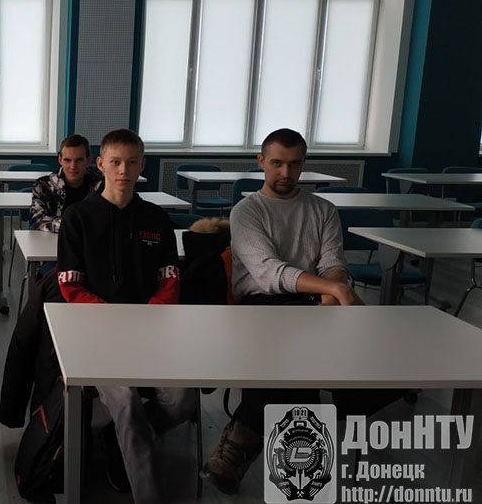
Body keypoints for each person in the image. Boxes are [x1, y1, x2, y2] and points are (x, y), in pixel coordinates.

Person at [200, 128, 362, 495]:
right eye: (276, 163)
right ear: (261, 162)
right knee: (294, 369)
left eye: (294, 164)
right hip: (261, 305)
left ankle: (241, 443)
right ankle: (299, 479)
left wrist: (331, 290)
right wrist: (333, 288)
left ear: (304, 163)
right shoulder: (247, 211)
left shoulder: (323, 210)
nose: (285, 173)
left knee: (313, 366)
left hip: (311, 304)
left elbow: (333, 262)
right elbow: (268, 273)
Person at [57, 128, 195, 503]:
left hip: (152, 331)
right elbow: (71, 286)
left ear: (142, 165)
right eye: (116, 162)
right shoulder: (77, 218)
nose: (124, 170)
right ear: (101, 164)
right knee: (128, 406)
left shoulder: (156, 218)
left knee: (183, 402)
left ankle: (121, 438)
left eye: (132, 162)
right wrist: (114, 322)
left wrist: (148, 320)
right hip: (98, 334)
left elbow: (169, 278)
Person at [29, 134, 103, 233]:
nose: (73, 166)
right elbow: (36, 219)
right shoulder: (44, 185)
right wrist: (71, 225)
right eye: (67, 160)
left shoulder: (101, 184)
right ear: (60, 159)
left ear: (89, 159)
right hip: (55, 239)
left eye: (79, 160)